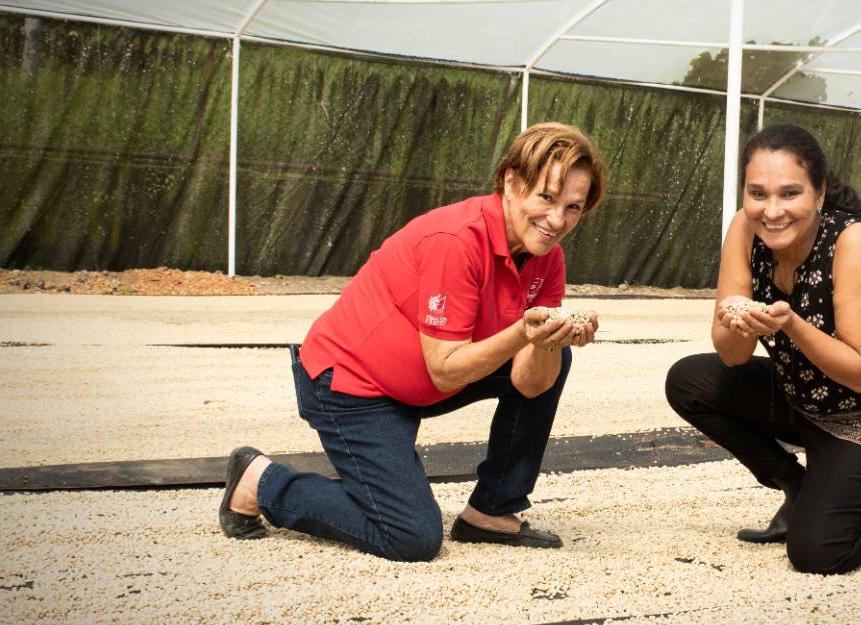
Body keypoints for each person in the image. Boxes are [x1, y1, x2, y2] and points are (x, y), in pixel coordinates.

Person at [217, 122, 609, 561]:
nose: (558, 220)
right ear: (511, 182)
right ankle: (260, 480)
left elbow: (531, 385)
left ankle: (492, 511)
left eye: (573, 207)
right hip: (350, 386)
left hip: (419, 382)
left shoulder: (547, 258)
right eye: (547, 198)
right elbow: (444, 370)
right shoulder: (457, 240)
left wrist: (546, 342)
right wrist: (522, 332)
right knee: (411, 538)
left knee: (553, 354)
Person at [664, 123, 861, 574]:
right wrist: (739, 321)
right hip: (808, 397)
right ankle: (798, 488)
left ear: (819, 194)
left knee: (818, 554)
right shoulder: (745, 230)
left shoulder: (854, 242)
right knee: (689, 381)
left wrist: (791, 324)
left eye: (790, 193)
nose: (772, 210)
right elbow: (732, 355)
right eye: (758, 193)